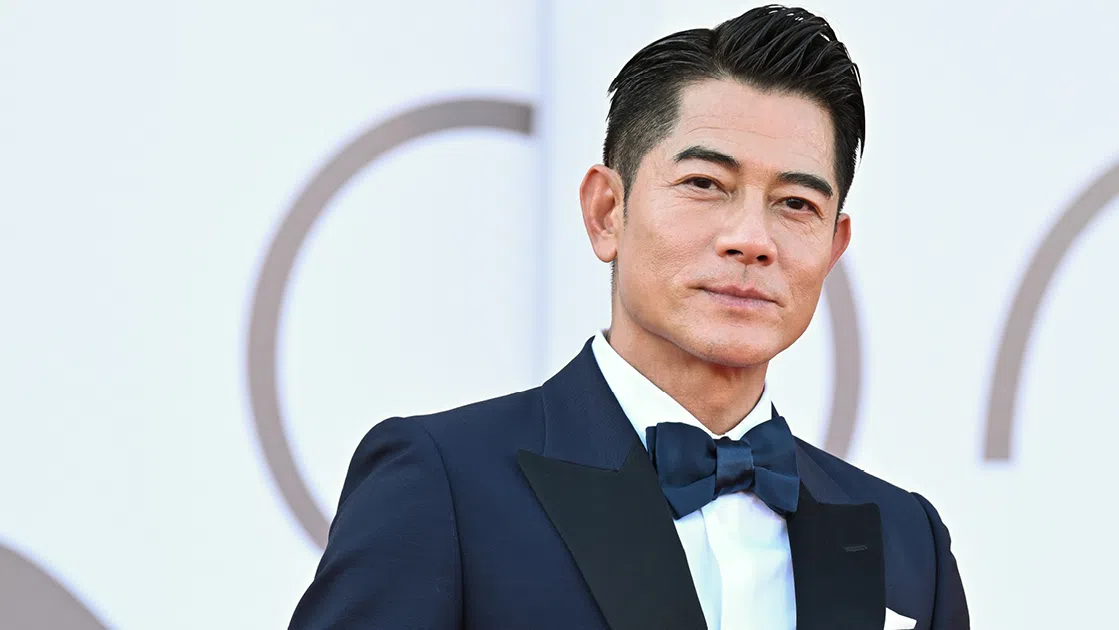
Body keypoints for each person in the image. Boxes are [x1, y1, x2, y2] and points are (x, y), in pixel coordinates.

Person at [288, 5, 968, 629]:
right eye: (705, 184)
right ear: (606, 211)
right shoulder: (444, 483)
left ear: (833, 247)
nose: (751, 239)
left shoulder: (907, 539)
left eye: (796, 203)